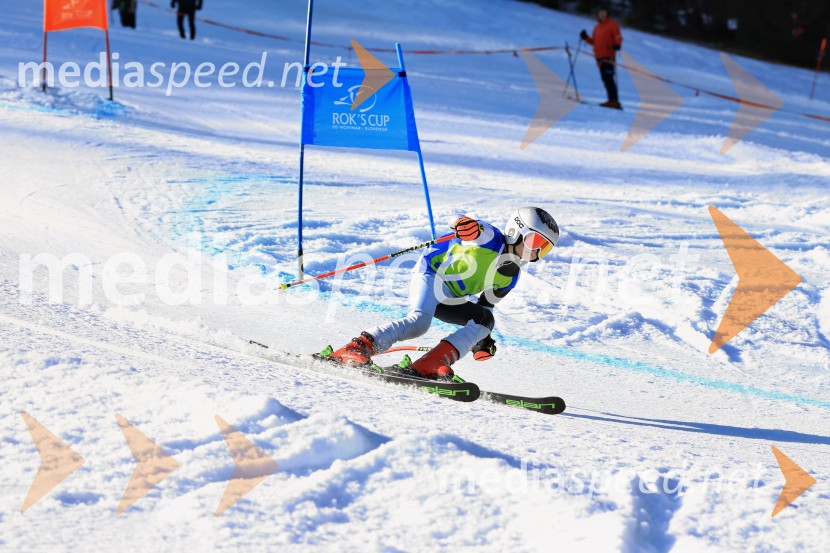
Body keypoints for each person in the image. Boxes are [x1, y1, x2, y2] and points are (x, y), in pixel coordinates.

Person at [327, 207, 560, 380]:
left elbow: (484, 307)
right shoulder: (491, 238)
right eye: (535, 241)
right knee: (419, 323)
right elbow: (474, 228)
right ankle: (356, 348)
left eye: (545, 247)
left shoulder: (511, 277)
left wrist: (481, 339)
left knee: (485, 320)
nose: (536, 251)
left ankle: (430, 363)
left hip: (452, 297)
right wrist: (464, 225)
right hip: (432, 274)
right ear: (515, 230)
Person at [580, 6, 623, 109]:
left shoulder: (612, 24)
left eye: (604, 13)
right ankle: (611, 100)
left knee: (609, 78)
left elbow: (618, 37)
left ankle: (614, 101)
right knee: (605, 79)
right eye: (600, 13)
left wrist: (617, 45)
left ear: (607, 14)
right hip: (599, 57)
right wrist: (585, 37)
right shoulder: (597, 27)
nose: (602, 14)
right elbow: (594, 42)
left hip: (608, 56)